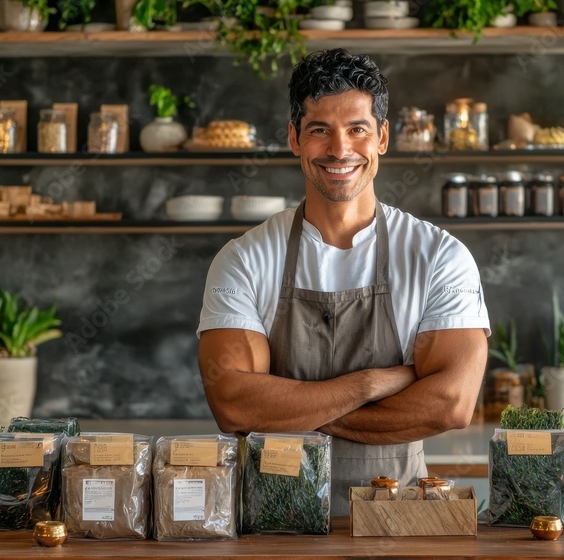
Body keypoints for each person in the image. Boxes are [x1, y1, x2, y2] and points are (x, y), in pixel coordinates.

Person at [197, 48, 490, 515]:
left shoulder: (439, 256)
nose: (339, 150)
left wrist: (291, 410)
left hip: (398, 523)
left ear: (383, 138)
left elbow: (451, 405)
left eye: (357, 129)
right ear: (294, 138)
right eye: (320, 130)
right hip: (274, 526)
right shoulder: (245, 258)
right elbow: (233, 404)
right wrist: (372, 383)